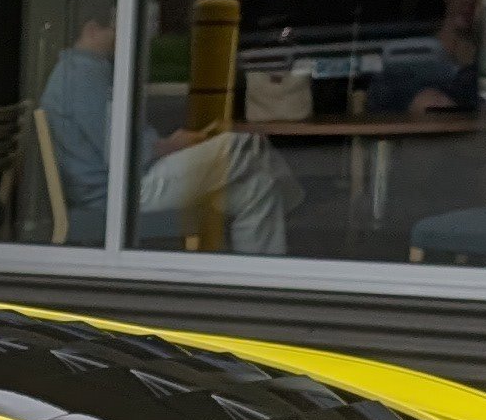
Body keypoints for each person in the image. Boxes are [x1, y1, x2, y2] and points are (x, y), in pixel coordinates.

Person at [35, 13, 298, 254]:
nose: (121, 36)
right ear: (92, 30)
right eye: (115, 29)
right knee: (241, 143)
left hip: (133, 179)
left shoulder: (85, 71)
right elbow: (118, 151)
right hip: (122, 192)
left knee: (257, 189)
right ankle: (299, 203)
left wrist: (169, 144)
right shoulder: (80, 77)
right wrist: (170, 146)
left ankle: (253, 282)